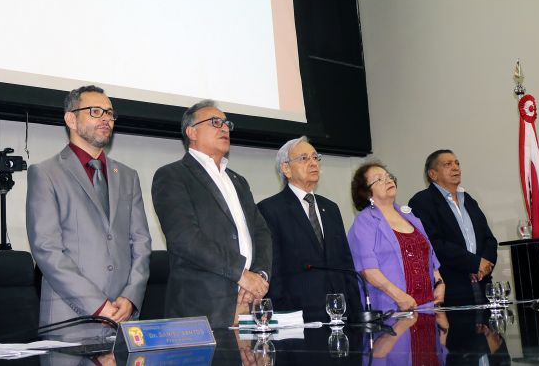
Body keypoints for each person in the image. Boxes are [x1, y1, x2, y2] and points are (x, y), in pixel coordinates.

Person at [26, 85, 151, 331]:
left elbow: (141, 243)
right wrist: (98, 306)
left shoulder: (128, 175)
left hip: (124, 319)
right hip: (70, 319)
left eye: (110, 113)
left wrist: (131, 297)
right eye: (95, 111)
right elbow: (47, 249)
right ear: (71, 119)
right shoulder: (46, 173)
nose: (106, 118)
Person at [151, 100, 272, 328]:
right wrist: (242, 274)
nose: (225, 128)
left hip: (249, 304)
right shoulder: (172, 176)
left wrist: (259, 277)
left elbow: (261, 232)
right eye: (215, 122)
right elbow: (185, 239)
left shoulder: (238, 181)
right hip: (202, 312)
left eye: (227, 123)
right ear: (191, 132)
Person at [257, 137, 360, 322]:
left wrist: (356, 312)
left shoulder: (330, 208)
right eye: (304, 158)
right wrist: (281, 316)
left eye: (315, 157)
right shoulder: (270, 209)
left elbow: (345, 263)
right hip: (297, 313)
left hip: (339, 312)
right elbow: (273, 267)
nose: (313, 163)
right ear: (286, 168)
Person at [347, 161, 444, 312]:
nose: (388, 180)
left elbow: (430, 257)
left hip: (428, 306)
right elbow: (367, 270)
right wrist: (400, 297)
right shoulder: (364, 222)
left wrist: (440, 284)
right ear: (366, 193)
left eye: (388, 176)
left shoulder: (410, 216)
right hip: (391, 310)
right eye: (379, 179)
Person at [409, 150, 498, 306]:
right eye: (447, 164)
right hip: (451, 287)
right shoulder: (421, 202)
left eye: (457, 163)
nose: (456, 168)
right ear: (433, 174)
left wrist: (485, 265)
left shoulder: (468, 199)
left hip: (482, 284)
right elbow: (433, 244)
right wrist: (474, 263)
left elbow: (488, 238)